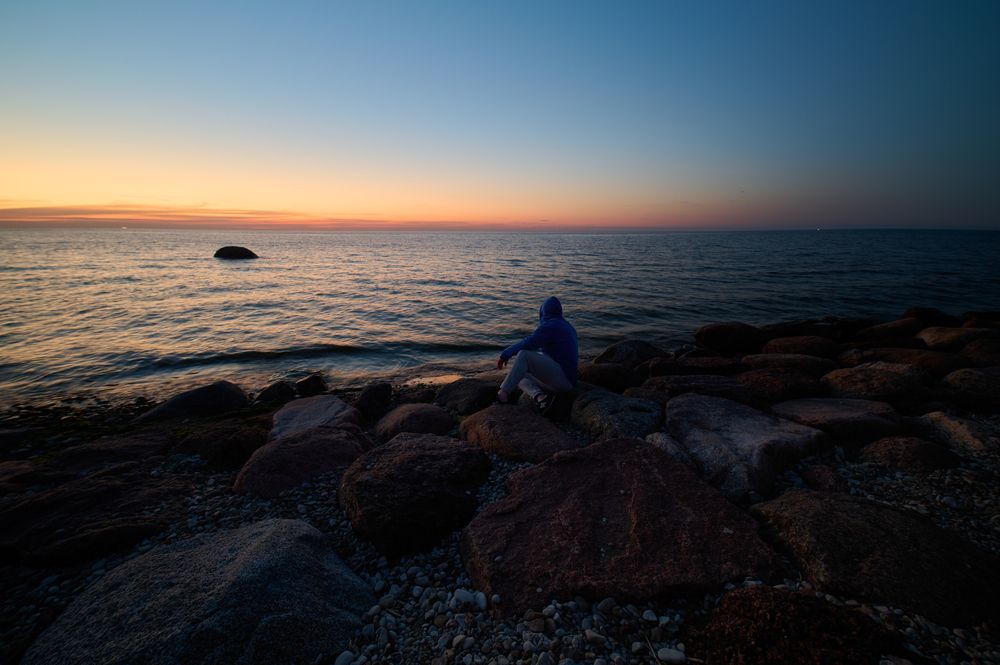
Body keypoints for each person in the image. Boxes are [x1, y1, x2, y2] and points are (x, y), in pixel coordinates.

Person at [496, 296, 578, 411]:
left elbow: (528, 343)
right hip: (566, 381)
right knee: (517, 373)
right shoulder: (566, 326)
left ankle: (502, 395)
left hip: (563, 380)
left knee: (523, 354)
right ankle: (541, 397)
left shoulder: (551, 326)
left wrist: (505, 354)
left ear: (543, 311)